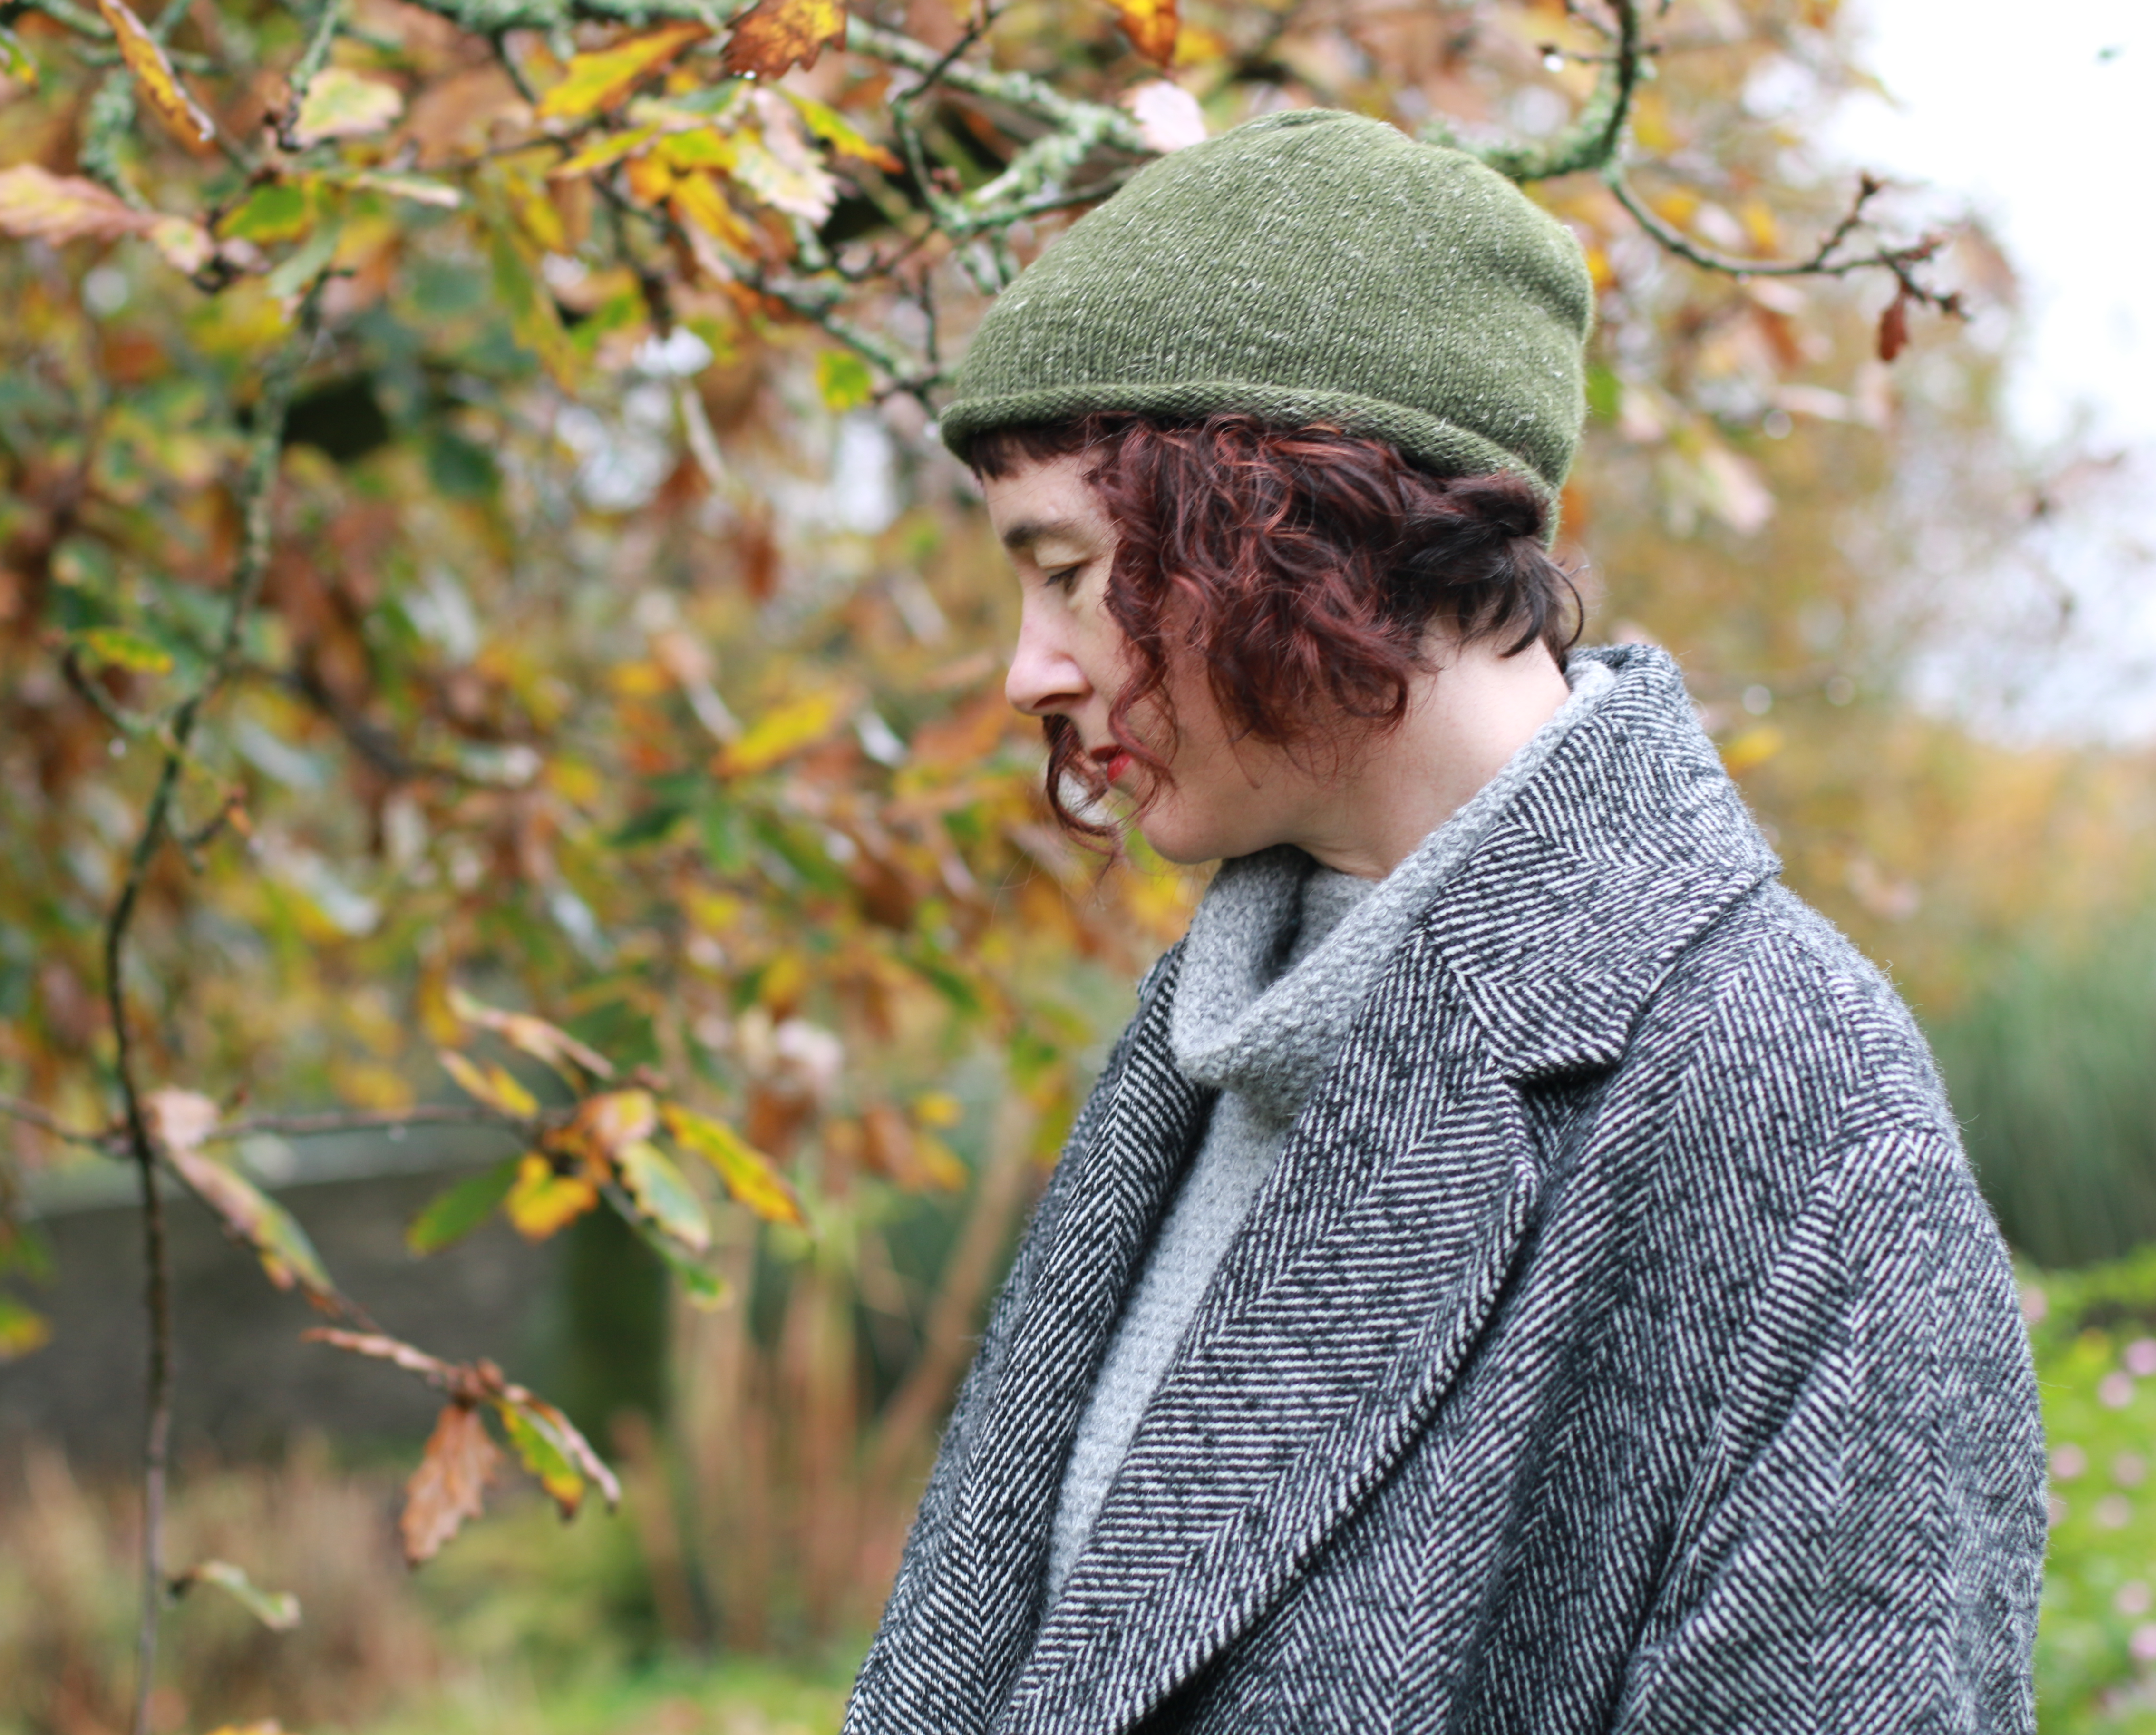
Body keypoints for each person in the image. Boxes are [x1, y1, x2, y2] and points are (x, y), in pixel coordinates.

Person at [843, 109, 2045, 1733]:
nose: (1026, 674)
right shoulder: (1213, 1032)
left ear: (1283, 520)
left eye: (1064, 570)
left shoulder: (1787, 1101)